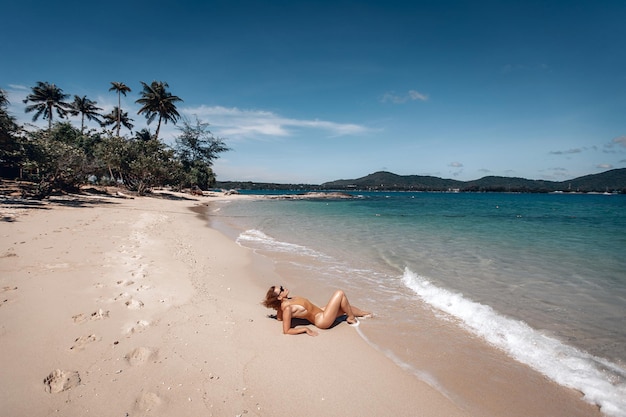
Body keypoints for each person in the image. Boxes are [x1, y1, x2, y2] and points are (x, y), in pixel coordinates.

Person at [262, 285, 372, 336]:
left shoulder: (288, 301)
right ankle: (351, 318)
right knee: (340, 293)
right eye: (281, 290)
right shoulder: (287, 308)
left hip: (320, 312)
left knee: (345, 306)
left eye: (281, 286)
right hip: (321, 320)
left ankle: (364, 314)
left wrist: (277, 312)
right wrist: (305, 329)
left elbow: (279, 318)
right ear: (280, 297)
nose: (283, 288)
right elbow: (286, 331)